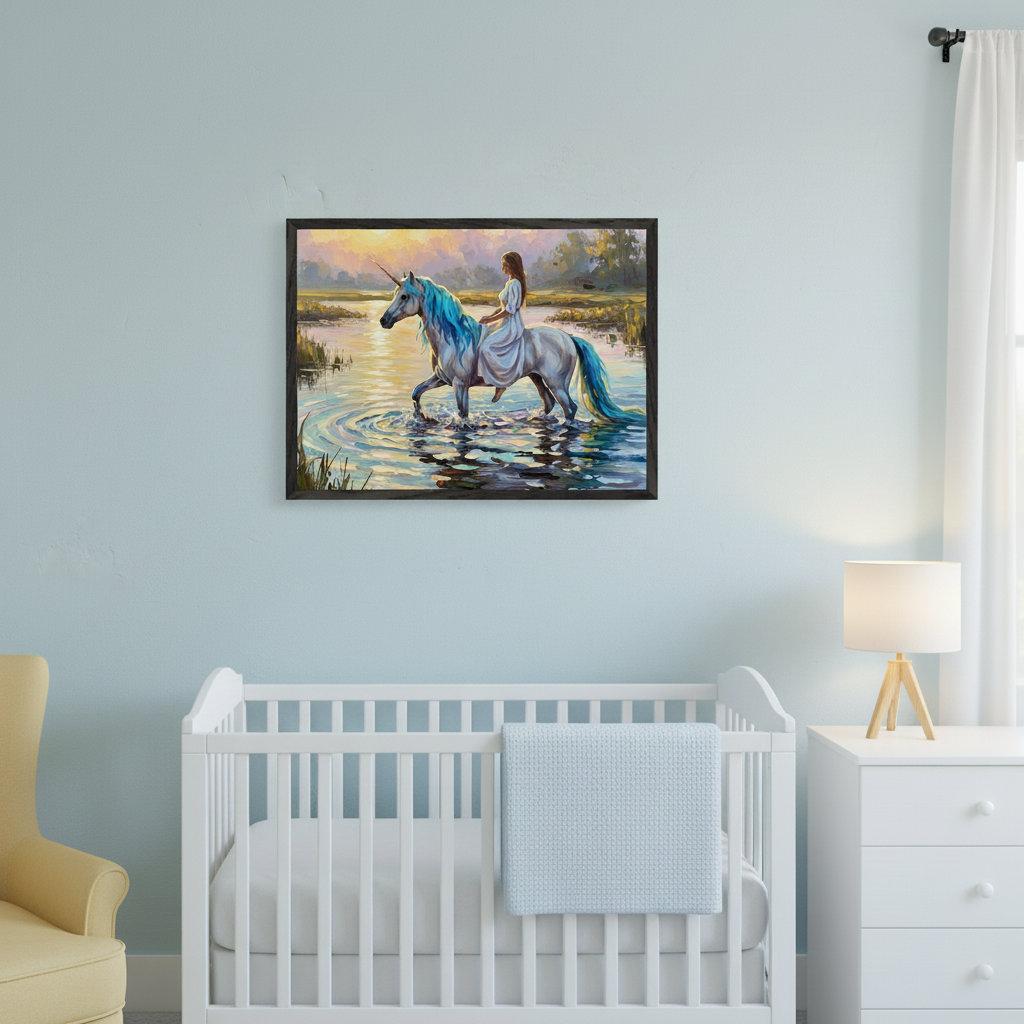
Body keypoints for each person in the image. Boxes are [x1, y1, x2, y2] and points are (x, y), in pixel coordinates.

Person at [477, 251, 527, 402]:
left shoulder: (516, 284)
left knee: (485, 348)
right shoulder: (509, 283)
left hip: (511, 325)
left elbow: (510, 310)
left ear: (512, 266)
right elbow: (503, 306)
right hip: (504, 321)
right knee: (481, 334)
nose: (502, 268)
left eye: (505, 265)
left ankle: (501, 381)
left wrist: (491, 319)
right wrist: (489, 316)